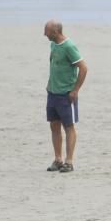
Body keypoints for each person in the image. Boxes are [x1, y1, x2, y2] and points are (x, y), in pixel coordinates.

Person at [45, 20, 88, 173]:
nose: (45, 34)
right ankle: (58, 159)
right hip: (52, 93)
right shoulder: (53, 45)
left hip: (65, 94)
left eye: (47, 31)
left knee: (68, 127)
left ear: (55, 32)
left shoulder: (69, 47)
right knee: (54, 125)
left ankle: (69, 162)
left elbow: (83, 68)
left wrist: (75, 90)